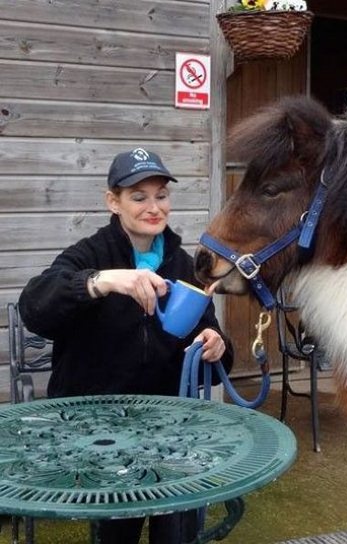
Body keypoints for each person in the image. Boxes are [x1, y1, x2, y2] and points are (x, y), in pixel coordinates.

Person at [18, 147, 234, 544]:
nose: (154, 207)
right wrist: (102, 282)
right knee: (118, 525)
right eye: (138, 197)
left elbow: (215, 348)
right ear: (113, 202)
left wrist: (215, 344)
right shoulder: (89, 255)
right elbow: (34, 307)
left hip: (170, 426)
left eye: (161, 195)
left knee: (178, 525)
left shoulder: (183, 265)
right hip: (99, 428)